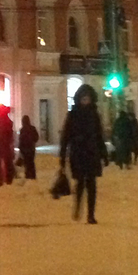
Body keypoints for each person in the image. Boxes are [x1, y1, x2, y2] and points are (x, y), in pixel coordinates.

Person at [60, 83, 108, 224]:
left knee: (92, 184)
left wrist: (104, 154)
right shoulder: (73, 115)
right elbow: (65, 137)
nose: (85, 101)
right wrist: (63, 156)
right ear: (78, 99)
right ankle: (78, 206)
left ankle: (91, 215)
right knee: (80, 183)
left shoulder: (94, 115)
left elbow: (99, 136)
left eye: (87, 98)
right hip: (78, 153)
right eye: (83, 98)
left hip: (92, 153)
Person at [17, 115, 40, 180]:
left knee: (26, 163)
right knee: (31, 162)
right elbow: (36, 137)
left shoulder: (22, 130)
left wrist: (20, 149)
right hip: (31, 149)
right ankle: (33, 175)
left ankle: (27, 175)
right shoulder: (32, 128)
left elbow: (21, 140)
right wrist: (33, 142)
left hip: (25, 150)